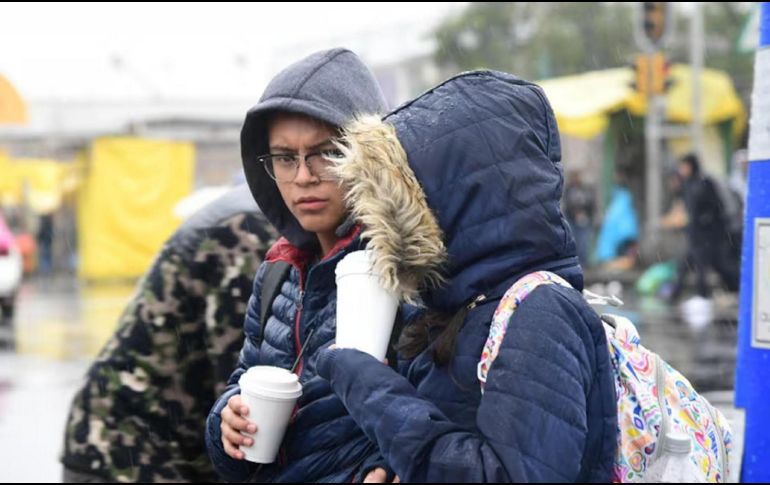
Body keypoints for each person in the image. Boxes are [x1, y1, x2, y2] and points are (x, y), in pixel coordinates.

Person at [315, 70, 618, 482]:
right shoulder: (456, 306)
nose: (375, 231)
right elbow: (443, 440)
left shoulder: (540, 315)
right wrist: (383, 466)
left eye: (392, 205)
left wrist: (368, 387)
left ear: (447, 201)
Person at [205, 48, 397, 483]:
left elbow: (441, 415)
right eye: (285, 157)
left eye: (325, 153)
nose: (303, 176)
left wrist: (389, 466)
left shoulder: (400, 271)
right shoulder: (277, 272)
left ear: (367, 154)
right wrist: (226, 424)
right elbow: (245, 378)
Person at [61, 184, 278, 482]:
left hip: (152, 446)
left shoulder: (267, 215)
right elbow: (243, 383)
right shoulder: (251, 231)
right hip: (129, 450)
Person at [671, 153, 739, 300]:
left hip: (708, 234)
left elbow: (714, 208)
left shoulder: (703, 183)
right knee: (690, 264)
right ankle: (677, 294)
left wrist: (703, 222)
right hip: (697, 233)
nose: (682, 169)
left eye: (684, 166)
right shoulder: (688, 184)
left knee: (702, 266)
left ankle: (700, 296)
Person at [564, 171, 596, 266]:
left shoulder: (585, 190)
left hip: (585, 219)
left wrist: (585, 214)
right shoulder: (568, 190)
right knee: (574, 240)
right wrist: (575, 214)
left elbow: (591, 203)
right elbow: (568, 204)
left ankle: (583, 262)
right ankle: (574, 261)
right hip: (572, 219)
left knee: (584, 241)